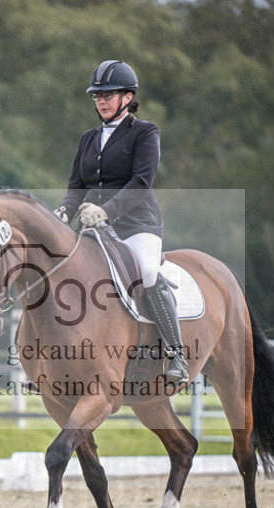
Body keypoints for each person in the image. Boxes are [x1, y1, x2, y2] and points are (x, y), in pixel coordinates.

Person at [54, 59, 189, 384]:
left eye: (108, 95)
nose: (101, 101)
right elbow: (76, 188)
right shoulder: (88, 138)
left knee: (145, 271)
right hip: (93, 228)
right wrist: (61, 214)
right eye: (97, 96)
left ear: (127, 98)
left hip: (136, 226)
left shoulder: (144, 132)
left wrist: (107, 212)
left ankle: (176, 355)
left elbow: (141, 183)